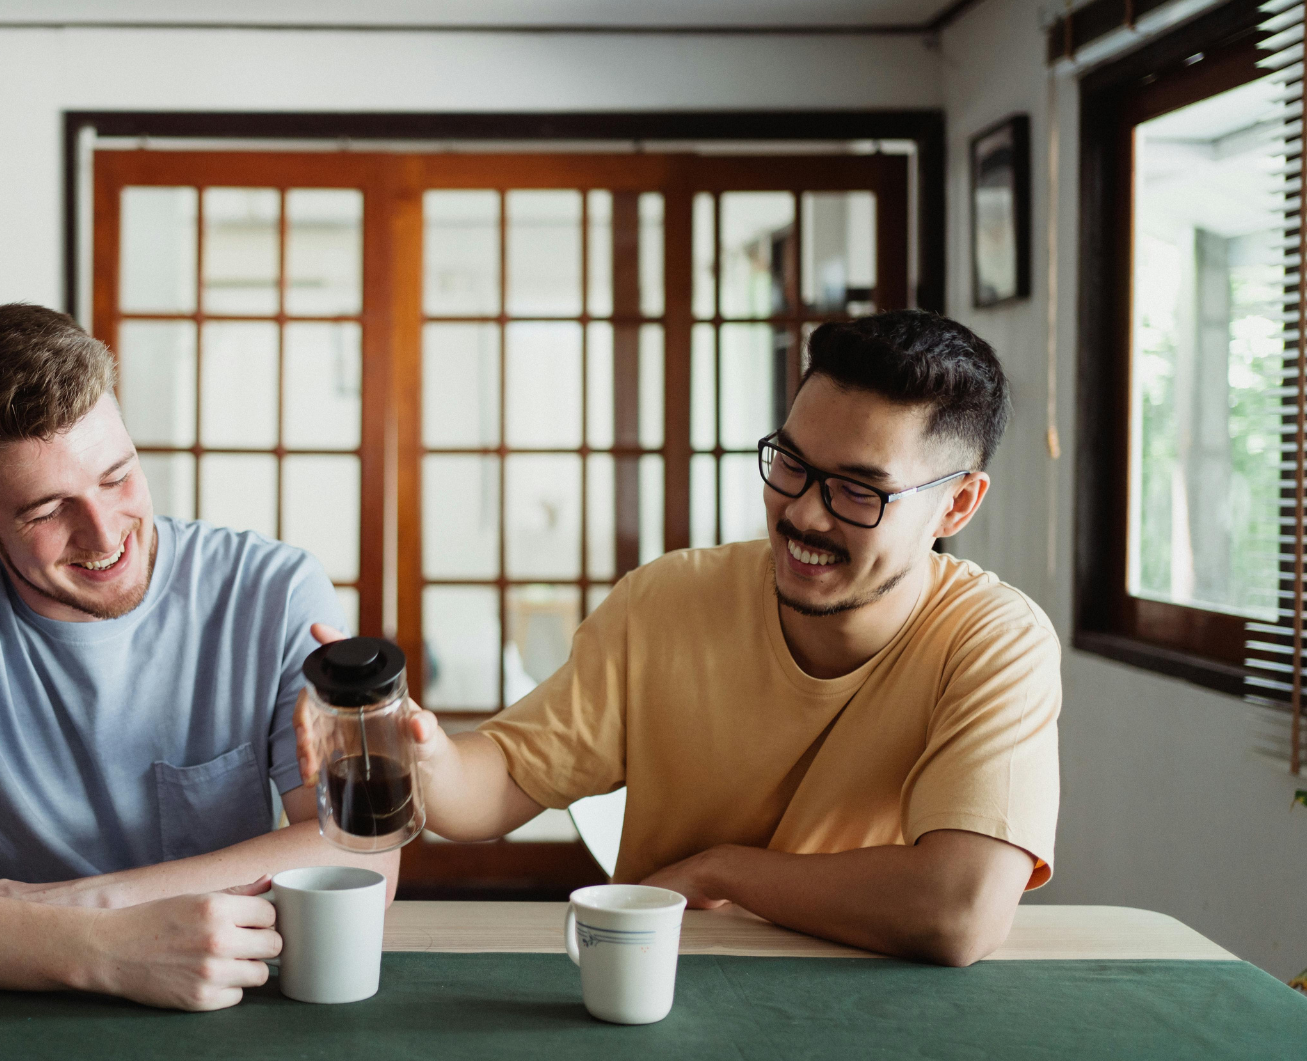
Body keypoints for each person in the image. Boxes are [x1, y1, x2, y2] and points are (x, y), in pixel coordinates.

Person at [304, 309, 1058, 967]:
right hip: (663, 983)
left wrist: (724, 872)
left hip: (873, 1000)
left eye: (858, 490)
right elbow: (499, 786)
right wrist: (414, 752)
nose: (803, 514)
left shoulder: (994, 643)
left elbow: (958, 912)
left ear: (957, 505)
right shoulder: (668, 601)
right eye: (790, 464)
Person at [0, 303, 390, 1011]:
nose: (104, 534)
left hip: (217, 1009)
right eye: (45, 511)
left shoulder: (275, 591)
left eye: (117, 476)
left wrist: (90, 901)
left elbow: (361, 849)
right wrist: (102, 950)